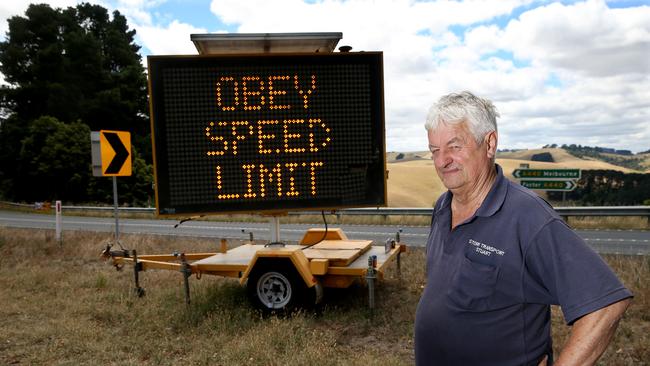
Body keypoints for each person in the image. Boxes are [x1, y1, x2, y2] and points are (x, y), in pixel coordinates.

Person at [414, 91, 632, 366]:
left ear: (489, 143)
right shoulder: (443, 207)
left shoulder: (528, 217)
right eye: (435, 150)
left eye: (455, 147)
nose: (442, 160)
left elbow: (605, 305)